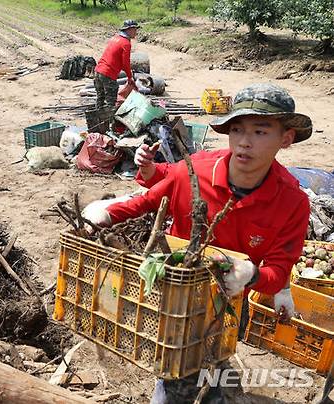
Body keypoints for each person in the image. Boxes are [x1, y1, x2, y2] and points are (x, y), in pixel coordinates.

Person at [84, 83, 312, 402]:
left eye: (260, 132)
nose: (244, 142)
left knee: (216, 357)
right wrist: (105, 214)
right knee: (175, 371)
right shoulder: (194, 172)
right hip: (178, 288)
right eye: (237, 130)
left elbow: (277, 269)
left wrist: (253, 275)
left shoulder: (292, 202)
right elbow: (147, 200)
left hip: (230, 297)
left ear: (285, 139)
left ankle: (214, 389)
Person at [93, 19, 139, 109]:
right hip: (107, 74)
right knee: (111, 103)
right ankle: (109, 121)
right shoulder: (126, 43)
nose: (136, 32)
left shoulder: (115, 38)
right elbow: (125, 63)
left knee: (100, 99)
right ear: (129, 30)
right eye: (135, 29)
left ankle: (97, 120)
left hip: (98, 71)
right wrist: (130, 77)